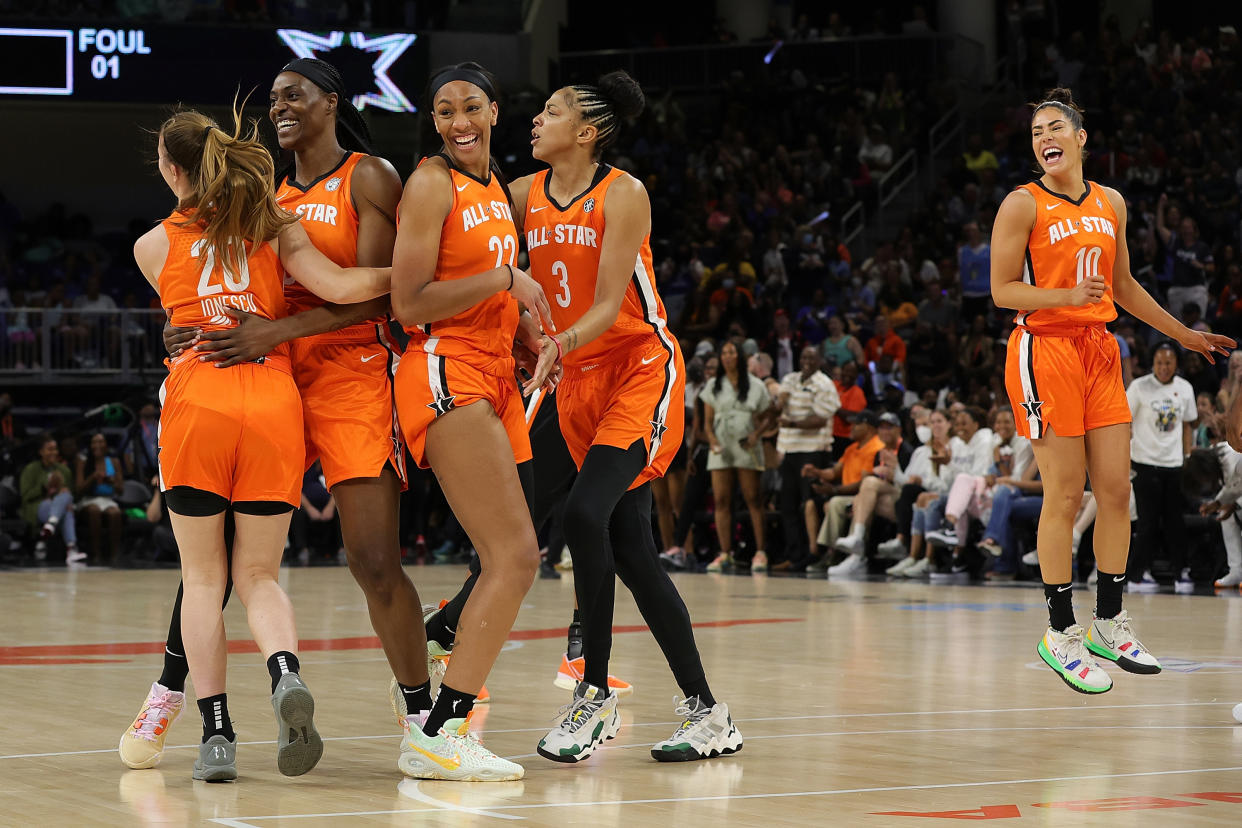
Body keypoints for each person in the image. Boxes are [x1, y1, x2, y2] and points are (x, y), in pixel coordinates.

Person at [121, 59, 436, 777]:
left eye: (296, 94)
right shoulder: (269, 209)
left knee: (214, 573)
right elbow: (340, 283)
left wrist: (189, 328)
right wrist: (423, 275)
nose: (282, 106)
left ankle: (221, 728)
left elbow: (193, 309)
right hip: (275, 393)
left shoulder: (153, 244)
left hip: (261, 386)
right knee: (252, 572)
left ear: (171, 170)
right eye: (275, 99)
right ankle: (244, 678)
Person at [516, 70, 741, 763]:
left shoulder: (625, 193)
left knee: (583, 515)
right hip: (576, 378)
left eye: (550, 112)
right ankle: (709, 715)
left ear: (586, 132)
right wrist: (529, 340)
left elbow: (611, 305)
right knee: (636, 555)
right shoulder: (524, 194)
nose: (536, 120)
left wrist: (553, 343)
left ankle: (594, 698)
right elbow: (523, 289)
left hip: (640, 369)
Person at [990, 87, 1231, 694]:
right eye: (1036, 131)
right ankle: (1059, 632)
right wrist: (1063, 298)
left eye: (1054, 128)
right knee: (1065, 496)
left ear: (1080, 138)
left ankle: (1110, 620)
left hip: (1100, 352)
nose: (1044, 137)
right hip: (1043, 350)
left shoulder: (1111, 202)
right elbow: (1001, 292)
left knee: (1118, 492)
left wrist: (1186, 335)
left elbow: (1123, 285)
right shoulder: (1022, 205)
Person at [388, 62, 555, 781]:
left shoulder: (495, 190)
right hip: (442, 368)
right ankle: (439, 731)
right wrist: (504, 281)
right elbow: (410, 302)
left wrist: (529, 338)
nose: (459, 122)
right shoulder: (431, 182)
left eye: (470, 108)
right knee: (515, 556)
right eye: (445, 111)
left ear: (494, 110)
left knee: (512, 556)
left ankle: (438, 723)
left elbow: (495, 296)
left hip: (490, 371)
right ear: (433, 122)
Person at [1127, 342, 1196, 589]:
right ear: (1152, 363)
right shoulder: (1139, 387)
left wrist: (1187, 457)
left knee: (1175, 521)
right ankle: (1137, 575)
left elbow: (1188, 425)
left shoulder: (1185, 388)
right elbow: (1126, 422)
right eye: (1159, 363)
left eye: (1168, 362)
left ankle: (1181, 571)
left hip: (1174, 463)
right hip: (1144, 462)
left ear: (1176, 363)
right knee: (1147, 521)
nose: (1163, 367)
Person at [699, 339, 772, 572]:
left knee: (752, 498)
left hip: (746, 445)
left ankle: (760, 552)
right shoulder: (713, 385)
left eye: (732, 352)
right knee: (721, 500)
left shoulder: (755, 384)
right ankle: (724, 553)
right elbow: (707, 424)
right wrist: (712, 440)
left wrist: (756, 435)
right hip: (721, 444)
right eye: (724, 352)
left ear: (740, 356)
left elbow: (768, 417)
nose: (727, 356)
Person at [774, 346, 839, 571]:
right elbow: (779, 405)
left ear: (820, 360)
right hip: (789, 449)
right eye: (803, 356)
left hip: (814, 450)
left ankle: (814, 554)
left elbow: (820, 419)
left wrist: (791, 422)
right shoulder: (790, 379)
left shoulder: (825, 385)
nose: (807, 360)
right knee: (788, 505)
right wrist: (779, 401)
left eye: (812, 357)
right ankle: (794, 555)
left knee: (810, 504)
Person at [19, 434, 82, 565]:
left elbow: (71, 495)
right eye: (49, 449)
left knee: (66, 500)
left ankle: (51, 526)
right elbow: (25, 496)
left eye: (55, 449)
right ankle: (71, 548)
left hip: (59, 507)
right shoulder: (31, 469)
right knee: (63, 508)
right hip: (37, 506)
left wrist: (62, 490)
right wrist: (45, 489)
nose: (54, 452)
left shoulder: (64, 470)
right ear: (41, 452)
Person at [75, 431, 124, 565]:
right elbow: (79, 489)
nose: (98, 445)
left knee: (115, 513)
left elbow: (121, 490)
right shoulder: (83, 462)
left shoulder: (114, 462)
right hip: (88, 499)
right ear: (90, 445)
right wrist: (93, 477)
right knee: (94, 511)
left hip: (108, 499)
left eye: (101, 441)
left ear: (106, 445)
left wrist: (112, 481)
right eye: (94, 442)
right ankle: (96, 553)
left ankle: (114, 554)